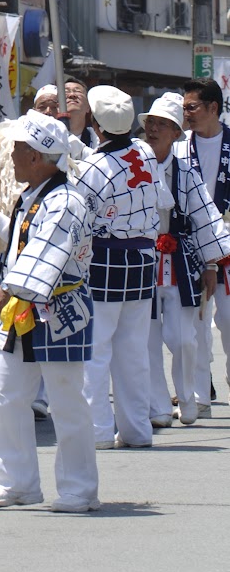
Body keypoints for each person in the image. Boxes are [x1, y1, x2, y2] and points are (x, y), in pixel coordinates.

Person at [0, 111, 99, 512]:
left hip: (58, 312)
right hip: (26, 310)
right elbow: (29, 242)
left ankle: (79, 489)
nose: (11, 154)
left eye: (19, 148)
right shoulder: (39, 196)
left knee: (66, 401)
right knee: (11, 397)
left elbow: (47, 253)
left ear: (38, 157)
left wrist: (6, 287)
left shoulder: (66, 201)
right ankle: (16, 483)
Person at [75, 84, 159, 450]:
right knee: (134, 350)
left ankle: (98, 432)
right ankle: (137, 430)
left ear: (94, 122)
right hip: (143, 258)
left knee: (96, 351)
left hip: (104, 259)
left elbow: (80, 217)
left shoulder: (92, 166)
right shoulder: (144, 151)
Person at [141, 92, 230, 430]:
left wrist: (210, 263)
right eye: (150, 122)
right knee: (146, 338)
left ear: (176, 132)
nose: (154, 129)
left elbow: (205, 217)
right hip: (142, 261)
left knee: (184, 338)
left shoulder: (185, 171)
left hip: (180, 262)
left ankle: (189, 396)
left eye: (162, 124)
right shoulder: (133, 162)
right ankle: (158, 405)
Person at [182, 79, 230, 412]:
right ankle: (200, 395)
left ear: (213, 108)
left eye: (192, 107)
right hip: (192, 247)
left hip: (229, 246)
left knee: (228, 321)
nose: (186, 114)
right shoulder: (179, 146)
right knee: (195, 325)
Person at [34, 80, 98, 151]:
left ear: (88, 107)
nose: (72, 95)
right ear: (57, 105)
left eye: (78, 91)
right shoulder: (41, 140)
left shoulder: (97, 139)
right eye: (66, 92)